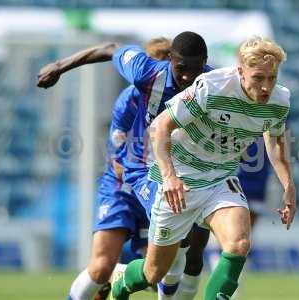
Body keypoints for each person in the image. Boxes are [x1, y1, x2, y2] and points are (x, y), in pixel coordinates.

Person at [112, 36, 297, 300]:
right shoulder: (211, 87)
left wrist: (288, 186)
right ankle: (122, 281)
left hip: (220, 179)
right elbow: (161, 127)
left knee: (238, 244)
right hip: (181, 179)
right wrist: (170, 177)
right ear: (240, 71)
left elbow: (275, 141)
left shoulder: (279, 101)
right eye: (259, 78)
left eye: (272, 78)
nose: (266, 87)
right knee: (152, 273)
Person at [37, 32, 212, 300]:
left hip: (165, 180)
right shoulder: (133, 93)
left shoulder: (207, 85)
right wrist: (59, 66)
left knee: (156, 274)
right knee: (100, 267)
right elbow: (118, 160)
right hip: (126, 184)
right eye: (178, 68)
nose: (186, 76)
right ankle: (112, 274)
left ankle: (121, 274)